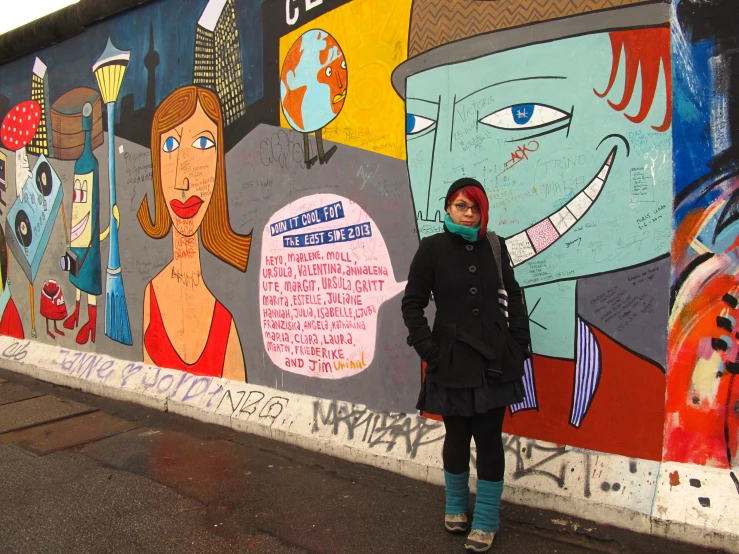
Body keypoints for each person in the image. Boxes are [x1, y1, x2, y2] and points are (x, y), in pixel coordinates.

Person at [402, 178, 530, 552]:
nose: (469, 213)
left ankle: (487, 518)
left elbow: (514, 294)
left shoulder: (494, 244)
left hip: (494, 359)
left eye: (475, 207)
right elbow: (412, 304)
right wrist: (429, 350)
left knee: (489, 438)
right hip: (451, 359)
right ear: (448, 209)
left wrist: (519, 344)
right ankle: (456, 506)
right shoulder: (432, 249)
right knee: (457, 436)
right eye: (461, 205)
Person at [137, 86, 251, 381]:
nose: (182, 180)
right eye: (170, 145)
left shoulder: (226, 319)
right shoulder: (152, 295)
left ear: (219, 165)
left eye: (203, 143)